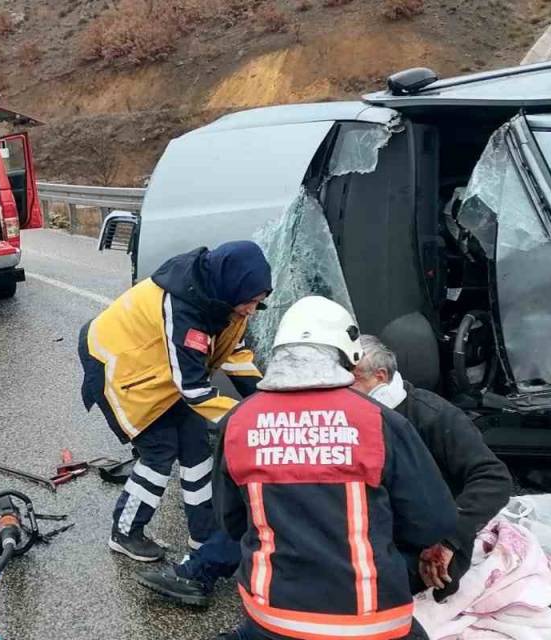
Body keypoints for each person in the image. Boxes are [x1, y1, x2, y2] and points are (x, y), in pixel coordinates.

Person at [210, 296, 457, 639]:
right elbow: (432, 522)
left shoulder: (238, 422)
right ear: (350, 355)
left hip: (273, 617)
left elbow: (231, 522)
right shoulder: (380, 422)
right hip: (370, 622)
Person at [79, 241, 271, 562]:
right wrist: (249, 419)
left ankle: (204, 536)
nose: (252, 310)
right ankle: (125, 532)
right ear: (234, 288)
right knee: (160, 451)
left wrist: (269, 398)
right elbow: (193, 388)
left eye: (258, 303)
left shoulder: (228, 299)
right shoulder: (183, 305)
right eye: (250, 303)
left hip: (165, 371)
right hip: (118, 366)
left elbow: (234, 353)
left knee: (196, 447)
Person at [349, 335, 512, 600]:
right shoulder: (346, 417)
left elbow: (493, 477)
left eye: (352, 379)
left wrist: (450, 539)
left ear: (379, 376)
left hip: (426, 538)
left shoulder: (433, 415)